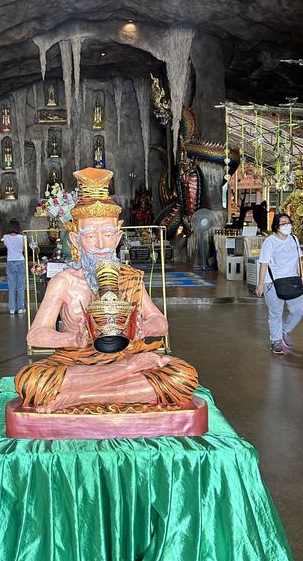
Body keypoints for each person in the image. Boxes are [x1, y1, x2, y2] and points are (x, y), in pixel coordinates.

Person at [13, 168, 198, 413]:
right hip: (80, 364)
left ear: (118, 236)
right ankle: (122, 376)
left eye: (108, 234)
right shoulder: (64, 282)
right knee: (30, 381)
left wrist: (142, 329)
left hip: (124, 354)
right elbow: (35, 335)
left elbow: (161, 323)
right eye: (91, 237)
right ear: (76, 240)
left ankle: (74, 398)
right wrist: (73, 339)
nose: (101, 245)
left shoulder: (129, 278)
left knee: (183, 377)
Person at [256, 212, 303, 354]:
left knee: (299, 310)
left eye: (288, 222)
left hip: (292, 280)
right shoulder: (270, 242)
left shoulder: (294, 239)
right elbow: (264, 264)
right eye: (283, 223)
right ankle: (276, 341)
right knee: (276, 313)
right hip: (272, 282)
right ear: (276, 226)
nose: (287, 225)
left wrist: (302, 278)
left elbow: (298, 260)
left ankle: (285, 331)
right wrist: (260, 284)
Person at [2, 219, 26, 315]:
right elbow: (23, 248)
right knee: (21, 287)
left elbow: (6, 245)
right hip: (20, 261)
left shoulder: (5, 237)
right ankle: (21, 308)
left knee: (11, 287)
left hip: (10, 262)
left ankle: (12, 308)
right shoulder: (22, 237)